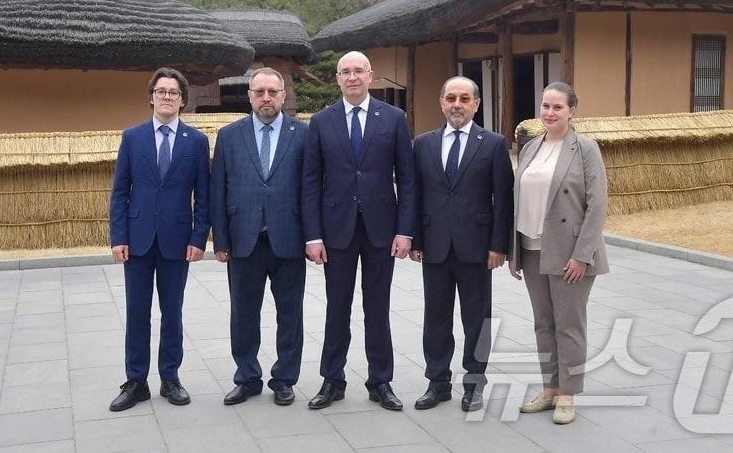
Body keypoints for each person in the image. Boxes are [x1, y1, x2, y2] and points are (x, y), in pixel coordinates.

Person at [302, 51, 416, 411]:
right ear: (337, 79)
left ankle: (380, 380)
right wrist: (313, 235)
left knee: (377, 308)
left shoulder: (394, 118)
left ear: (371, 76)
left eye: (358, 71)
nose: (352, 77)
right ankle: (332, 380)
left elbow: (408, 180)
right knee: (337, 307)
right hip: (336, 231)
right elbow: (310, 181)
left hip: (382, 229)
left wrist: (405, 231)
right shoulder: (321, 121)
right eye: (345, 72)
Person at [108, 67, 209, 412]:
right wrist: (118, 236)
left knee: (173, 311)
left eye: (174, 92)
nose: (167, 97)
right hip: (136, 240)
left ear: (183, 101)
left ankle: (170, 377)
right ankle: (136, 381)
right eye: (162, 91)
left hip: (177, 240)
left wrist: (199, 238)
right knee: (138, 311)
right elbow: (120, 191)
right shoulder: (132, 137)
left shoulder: (196, 142)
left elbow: (204, 196)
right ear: (151, 97)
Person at [410, 76, 513, 412]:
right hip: (435, 246)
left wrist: (499, 246)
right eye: (451, 97)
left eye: (464, 98)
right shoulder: (423, 144)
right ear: (441, 102)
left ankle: (474, 384)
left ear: (476, 104)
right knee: (435, 318)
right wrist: (415, 238)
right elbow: (415, 195)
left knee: (476, 318)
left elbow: (503, 199)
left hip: (477, 247)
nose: (457, 104)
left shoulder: (493, 143)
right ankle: (437, 382)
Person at [509, 81, 609, 425]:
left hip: (570, 252)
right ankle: (550, 388)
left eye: (557, 107)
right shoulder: (531, 148)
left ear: (572, 111)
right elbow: (518, 200)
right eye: (545, 106)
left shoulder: (585, 149)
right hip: (532, 247)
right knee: (543, 323)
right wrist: (514, 252)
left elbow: (597, 206)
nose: (549, 113)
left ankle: (568, 393)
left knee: (569, 324)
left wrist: (582, 255)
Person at [210, 67, 308, 407]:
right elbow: (218, 190)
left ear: (283, 96)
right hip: (243, 240)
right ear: (249, 96)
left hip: (289, 240)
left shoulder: (303, 134)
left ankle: (284, 379)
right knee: (243, 313)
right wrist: (220, 240)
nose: (266, 98)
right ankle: (248, 377)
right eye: (259, 92)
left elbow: (312, 190)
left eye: (273, 92)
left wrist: (313, 238)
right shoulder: (229, 136)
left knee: (290, 315)